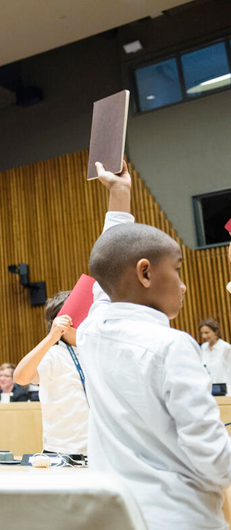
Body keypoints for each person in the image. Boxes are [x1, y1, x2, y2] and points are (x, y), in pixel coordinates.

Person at [78, 160, 231, 529]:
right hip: (178, 517)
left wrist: (120, 193)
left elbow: (108, 273)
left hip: (115, 515)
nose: (182, 285)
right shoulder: (173, 346)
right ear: (145, 272)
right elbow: (212, 458)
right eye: (177, 268)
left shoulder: (90, 329)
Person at [14, 292, 88, 455]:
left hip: (97, 447)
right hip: (63, 449)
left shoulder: (93, 351)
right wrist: (50, 338)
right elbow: (20, 377)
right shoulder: (53, 354)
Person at [198, 318, 231, 395]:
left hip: (225, 391)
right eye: (201, 333)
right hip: (208, 392)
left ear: (215, 332)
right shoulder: (203, 348)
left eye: (207, 333)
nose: (203, 336)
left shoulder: (226, 348)